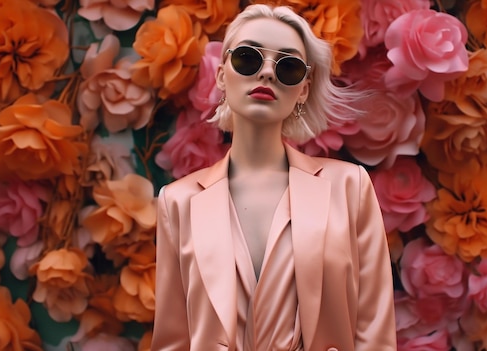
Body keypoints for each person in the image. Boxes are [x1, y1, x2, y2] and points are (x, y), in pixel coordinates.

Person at [152, 4, 396, 350]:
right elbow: (172, 341)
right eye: (249, 59)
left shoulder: (349, 188)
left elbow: (375, 333)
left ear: (304, 88)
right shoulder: (178, 202)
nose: (267, 72)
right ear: (222, 75)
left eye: (289, 66)